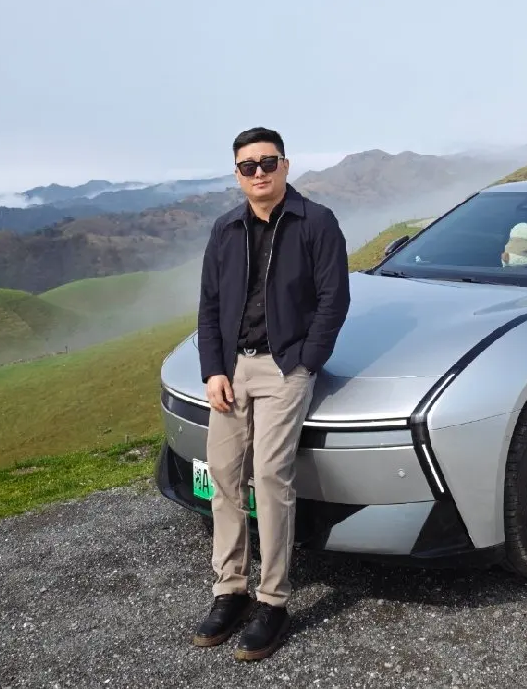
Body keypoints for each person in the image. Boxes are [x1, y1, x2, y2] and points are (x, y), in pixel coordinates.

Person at [193, 126, 351, 661]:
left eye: (267, 162)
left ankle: (273, 600)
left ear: (285, 165)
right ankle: (230, 590)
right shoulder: (225, 229)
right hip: (232, 370)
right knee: (223, 477)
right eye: (248, 166)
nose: (258, 173)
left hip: (285, 368)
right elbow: (209, 306)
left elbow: (333, 299)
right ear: (237, 175)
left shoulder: (317, 222)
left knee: (269, 476)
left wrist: (305, 362)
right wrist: (214, 370)